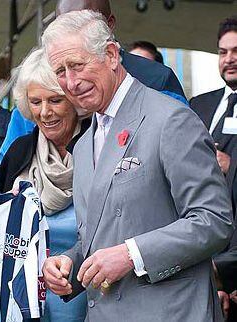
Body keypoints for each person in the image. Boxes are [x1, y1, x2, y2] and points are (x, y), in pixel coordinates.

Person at [41, 10, 233, 322]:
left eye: (77, 65)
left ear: (112, 55)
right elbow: (100, 238)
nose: (71, 82)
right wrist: (69, 264)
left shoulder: (170, 119)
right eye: (60, 72)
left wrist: (132, 254)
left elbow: (214, 221)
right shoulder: (86, 141)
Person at [0, 0, 187, 165]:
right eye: (65, 24)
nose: (72, 83)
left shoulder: (157, 80)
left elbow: (187, 164)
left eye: (84, 23)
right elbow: (11, 156)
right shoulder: (40, 81)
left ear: (109, 25)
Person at [0, 48, 88, 321]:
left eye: (55, 100)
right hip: (26, 299)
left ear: (74, 100)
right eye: (35, 102)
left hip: (87, 294)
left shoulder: (97, 148)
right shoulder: (18, 153)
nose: (45, 112)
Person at [190, 16, 237, 321]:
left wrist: (231, 167)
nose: (229, 59)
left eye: (236, 51)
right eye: (223, 52)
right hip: (199, 243)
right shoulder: (197, 105)